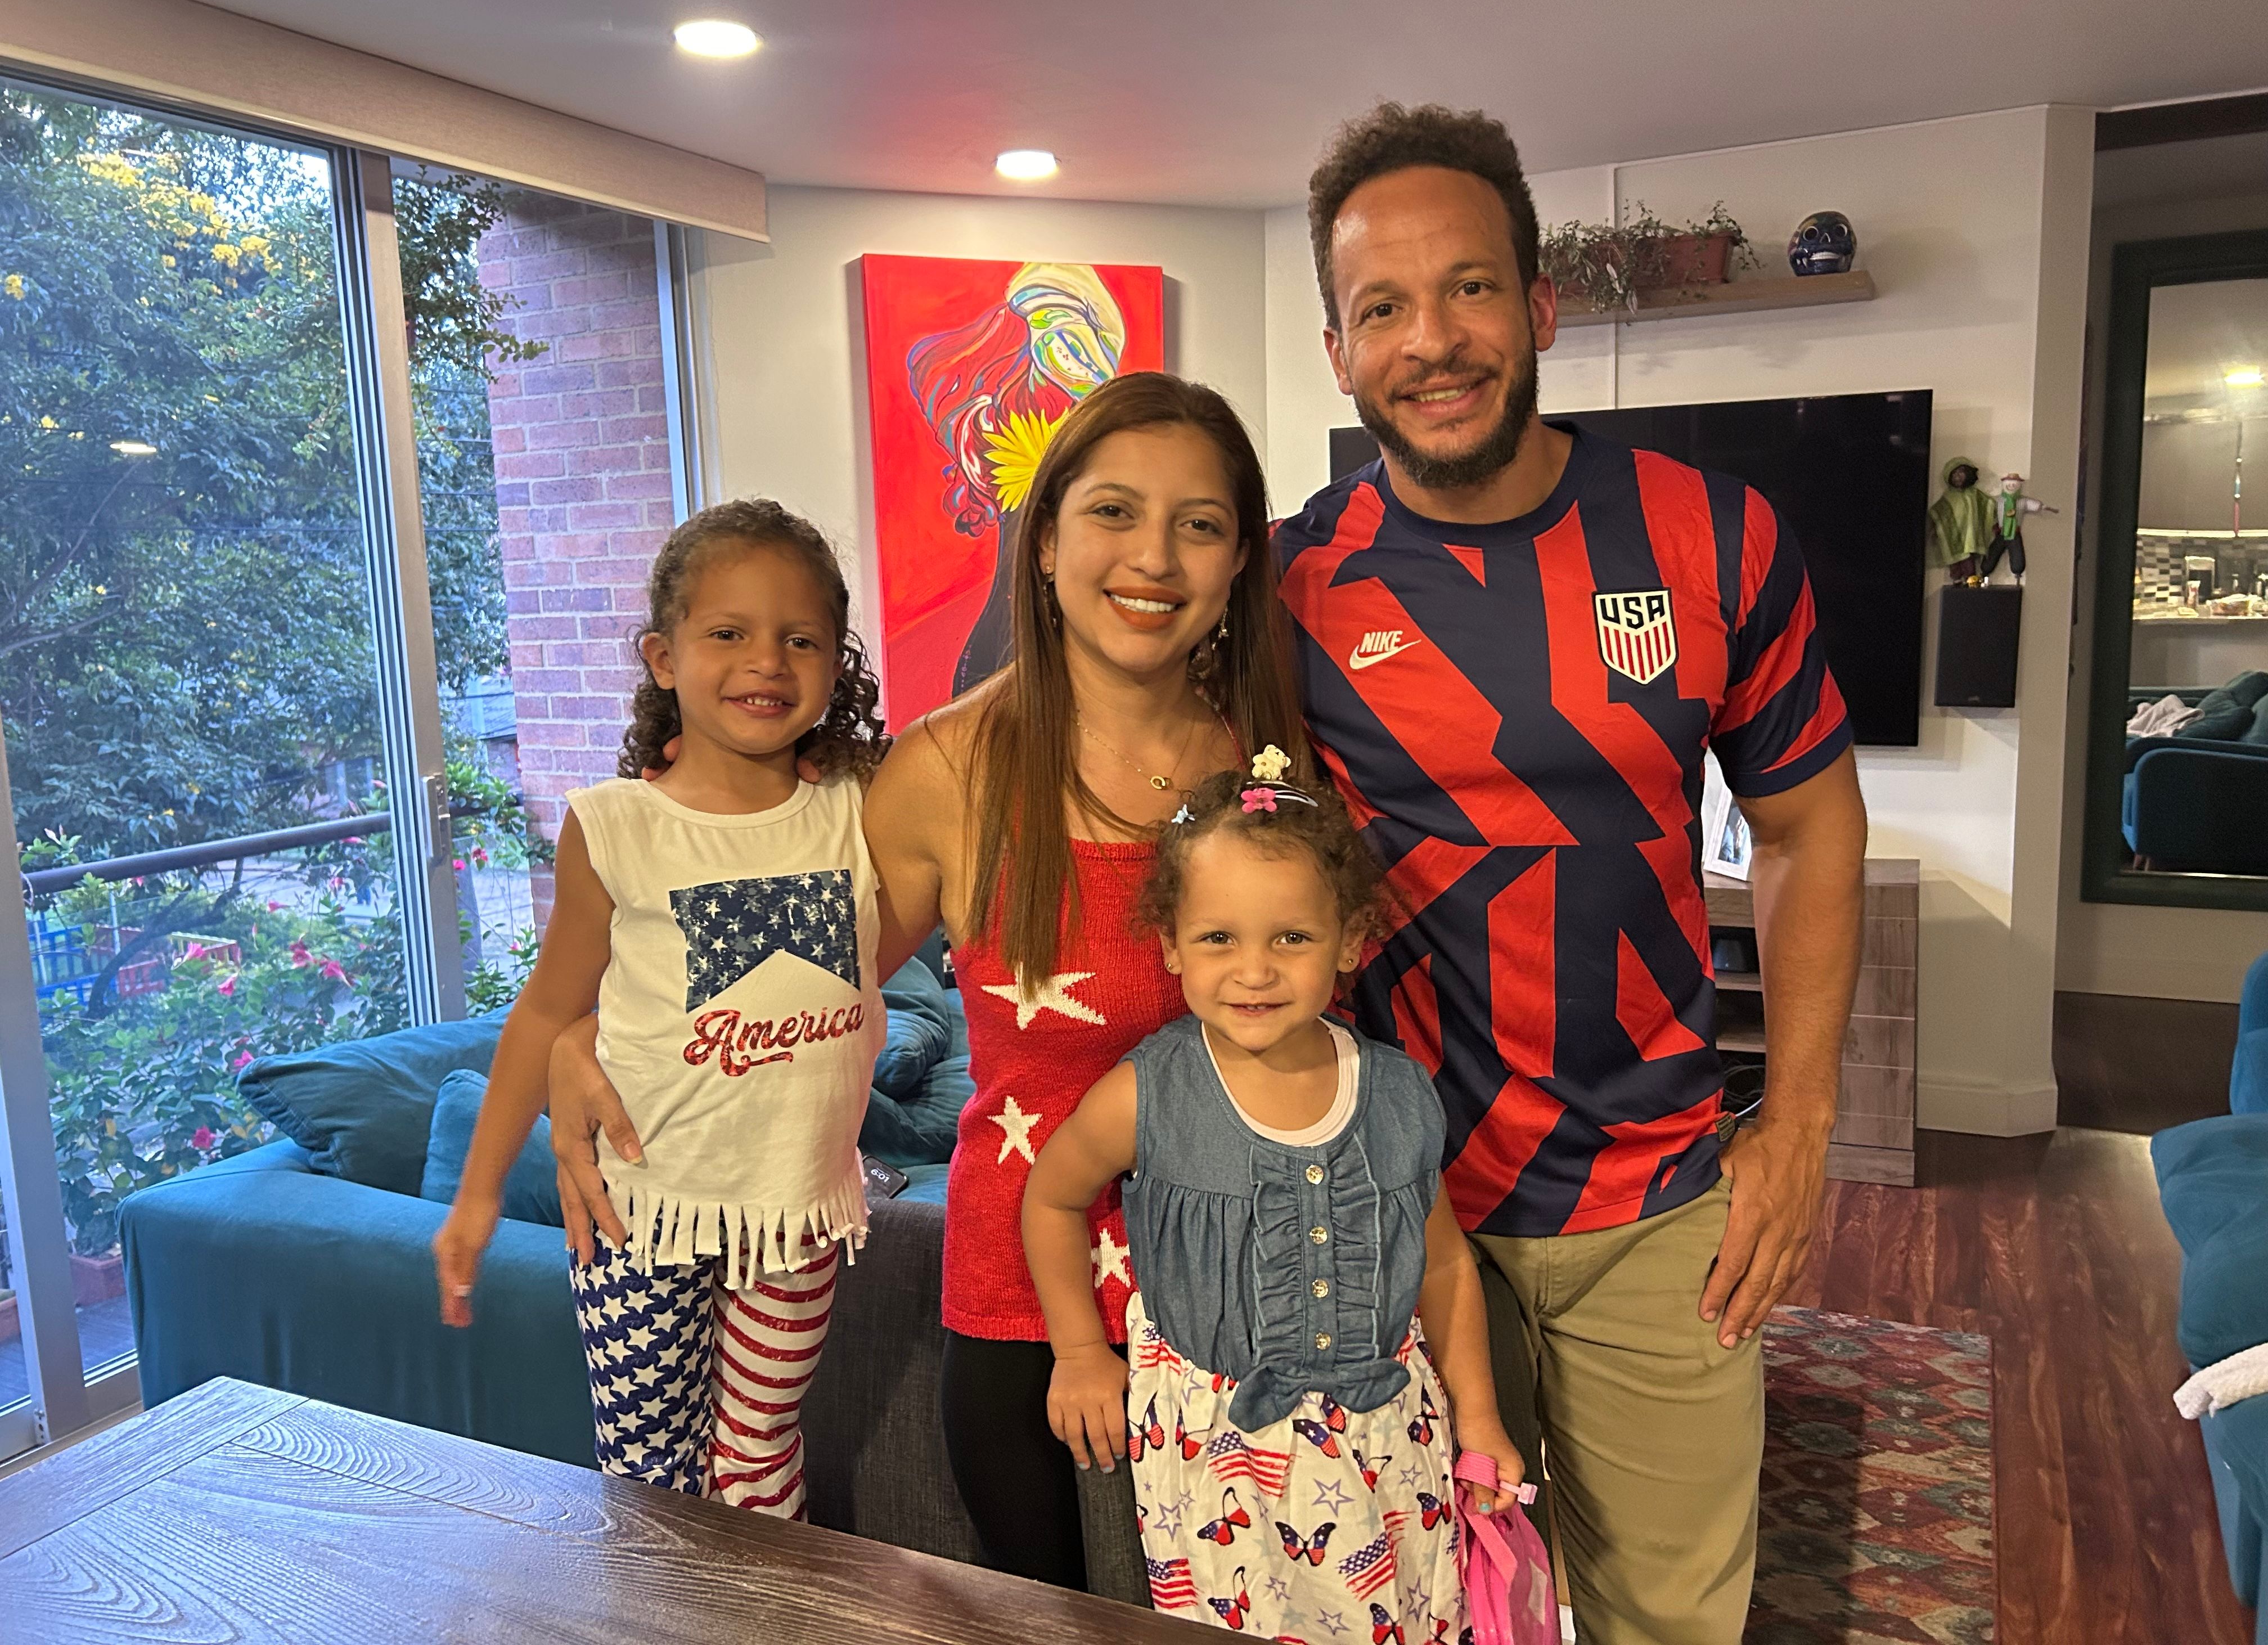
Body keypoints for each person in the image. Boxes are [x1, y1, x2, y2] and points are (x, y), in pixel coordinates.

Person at [547, 371, 1312, 1588]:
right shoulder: (948, 768)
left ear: (1237, 563)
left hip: (1254, 1285)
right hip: (1015, 1298)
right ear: (1047, 537)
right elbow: (783, 971)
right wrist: (574, 1036)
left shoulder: (1277, 752)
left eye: (1199, 522)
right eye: (1113, 511)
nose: (1153, 555)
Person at [1281, 104, 1870, 1645]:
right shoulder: (1295, 583)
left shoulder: (1716, 536)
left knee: (1665, 1622)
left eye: (1470, 287)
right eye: (1384, 308)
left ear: (1539, 307)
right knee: (1419, 1609)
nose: (1435, 339)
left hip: (1656, 1204)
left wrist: (1802, 1124)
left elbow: (1810, 824)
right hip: (1391, 1212)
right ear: (1338, 352)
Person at [430, 500, 889, 1518]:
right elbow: (549, 1008)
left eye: (799, 638)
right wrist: (477, 1197)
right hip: (638, 1213)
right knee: (647, 1474)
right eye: (728, 632)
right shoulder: (614, 825)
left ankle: (766, 1627)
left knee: (762, 1452)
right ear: (664, 657)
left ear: (834, 662)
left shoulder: (862, 804)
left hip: (797, 1214)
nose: (765, 660)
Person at [1024, 754, 1522, 1639]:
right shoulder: (1147, 1094)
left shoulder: (1400, 1095)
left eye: (1290, 937)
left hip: (1391, 1452)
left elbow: (1443, 1262)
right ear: (1172, 942)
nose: (1254, 970)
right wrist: (1077, 1350)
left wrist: (1479, 1418)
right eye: (1219, 938)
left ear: (1350, 940)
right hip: (1221, 1467)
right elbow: (1053, 1200)